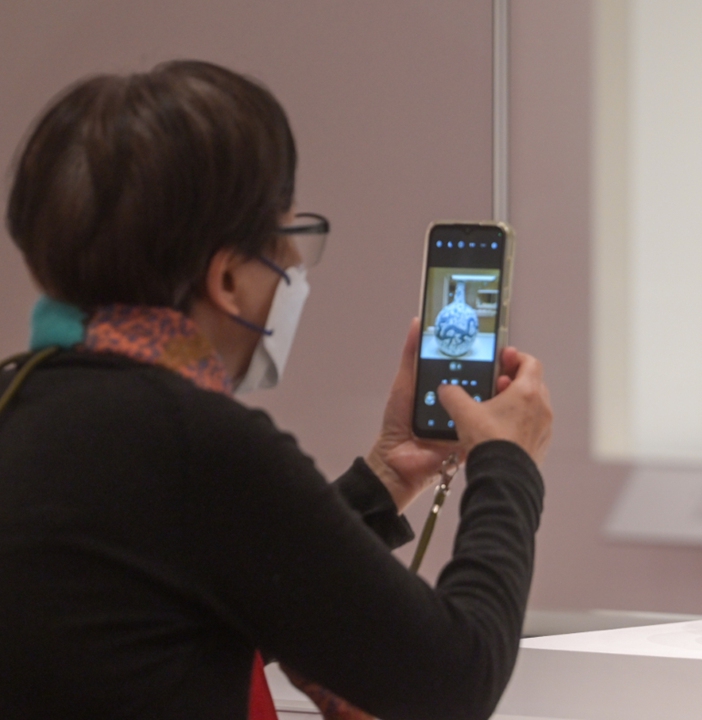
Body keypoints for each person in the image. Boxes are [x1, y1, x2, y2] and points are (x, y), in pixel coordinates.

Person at [0, 60, 552, 720]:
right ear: (228, 279)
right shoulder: (195, 442)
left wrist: (382, 478)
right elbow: (452, 679)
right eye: (285, 251)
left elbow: (208, 591)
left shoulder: (21, 402)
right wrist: (508, 464)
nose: (291, 280)